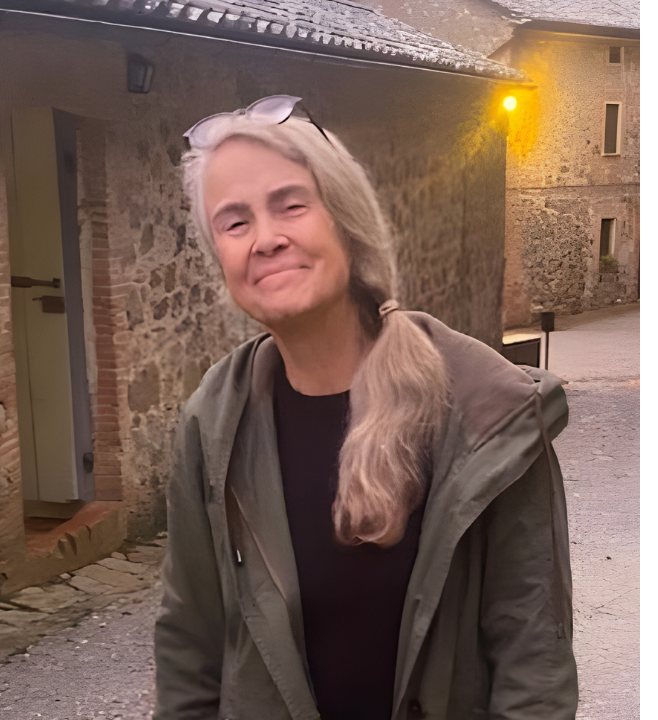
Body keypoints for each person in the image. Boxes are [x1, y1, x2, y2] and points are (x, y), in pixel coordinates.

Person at [153, 95, 577, 720]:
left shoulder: (488, 412)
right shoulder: (213, 422)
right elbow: (190, 647)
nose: (266, 239)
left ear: (345, 219)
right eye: (234, 222)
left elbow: (532, 662)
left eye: (291, 205)